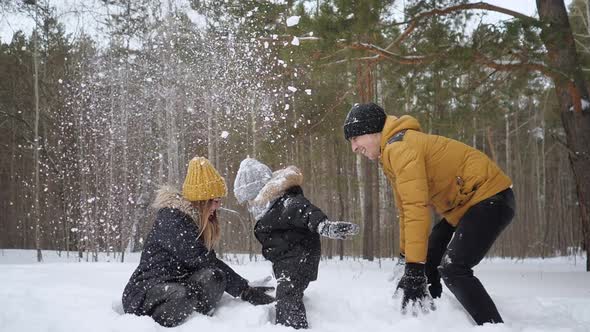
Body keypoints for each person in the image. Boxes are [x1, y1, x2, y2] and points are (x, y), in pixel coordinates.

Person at [343, 103, 515, 325]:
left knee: (453, 268)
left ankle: (493, 326)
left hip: (490, 198)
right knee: (429, 261)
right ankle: (434, 320)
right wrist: (407, 258)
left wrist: (413, 268)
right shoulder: (393, 150)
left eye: (355, 139)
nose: (354, 148)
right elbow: (405, 210)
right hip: (468, 205)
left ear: (372, 130)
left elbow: (416, 207)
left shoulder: (401, 147)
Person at [122, 156, 275, 327]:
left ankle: (197, 323)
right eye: (215, 201)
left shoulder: (193, 222)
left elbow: (211, 266)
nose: (218, 206)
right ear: (202, 201)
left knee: (215, 277)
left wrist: (245, 288)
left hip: (177, 284)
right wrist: (244, 291)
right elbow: (202, 260)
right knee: (183, 296)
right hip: (145, 292)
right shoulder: (172, 220)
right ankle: (155, 327)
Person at [233, 158, 360, 329]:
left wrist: (324, 226)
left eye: (251, 198)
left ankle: (292, 327)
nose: (250, 205)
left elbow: (307, 212)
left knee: (288, 295)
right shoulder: (272, 207)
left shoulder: (287, 202)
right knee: (285, 288)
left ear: (261, 191)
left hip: (300, 256)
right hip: (287, 260)